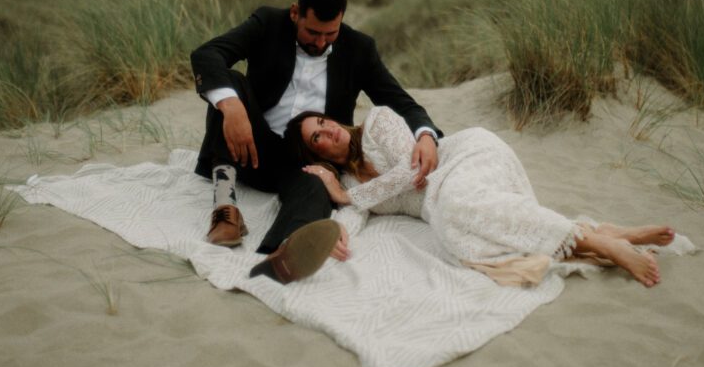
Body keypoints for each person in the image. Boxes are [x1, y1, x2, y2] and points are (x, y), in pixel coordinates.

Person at [190, 0, 442, 269]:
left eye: (330, 34)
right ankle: (225, 208)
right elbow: (208, 54)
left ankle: (284, 251)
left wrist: (426, 135)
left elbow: (401, 102)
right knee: (229, 84)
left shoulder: (360, 49)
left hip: (314, 156)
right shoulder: (268, 23)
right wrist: (232, 107)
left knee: (317, 184)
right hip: (252, 145)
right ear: (295, 12)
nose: (321, 42)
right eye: (312, 32)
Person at [286, 106, 676, 288]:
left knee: (453, 209)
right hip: (441, 201)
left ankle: (606, 248)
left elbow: (412, 171)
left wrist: (345, 196)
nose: (328, 130)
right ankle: (605, 233)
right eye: (316, 136)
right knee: (457, 237)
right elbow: (356, 211)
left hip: (463, 160)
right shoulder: (350, 185)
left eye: (323, 121)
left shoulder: (377, 122)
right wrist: (336, 231)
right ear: (315, 153)